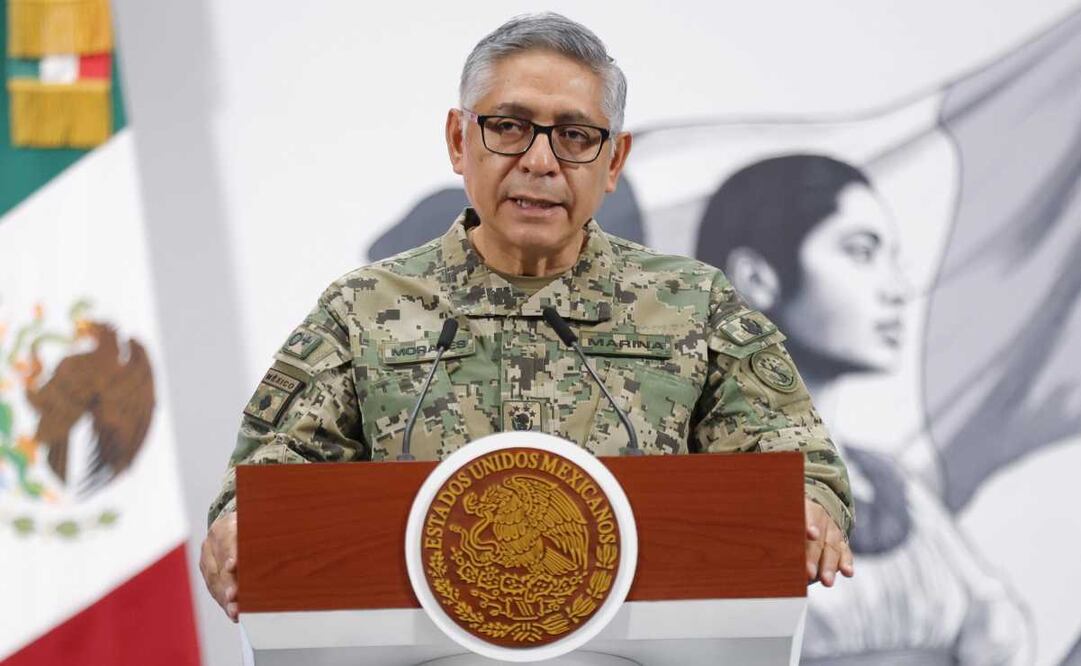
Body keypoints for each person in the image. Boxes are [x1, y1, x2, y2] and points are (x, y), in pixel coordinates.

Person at [200, 14, 855, 623]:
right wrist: (241, 528)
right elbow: (269, 482)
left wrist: (806, 510)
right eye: (509, 127)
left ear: (613, 162)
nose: (540, 161)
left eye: (573, 136)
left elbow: (796, 462)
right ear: (461, 140)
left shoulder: (692, 303)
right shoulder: (363, 309)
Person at [696, 154, 1030, 665]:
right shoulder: (692, 478)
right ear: (757, 278)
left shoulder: (895, 485)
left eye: (892, 257)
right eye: (860, 252)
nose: (896, 290)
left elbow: (994, 628)